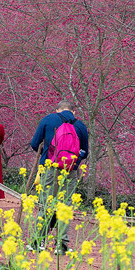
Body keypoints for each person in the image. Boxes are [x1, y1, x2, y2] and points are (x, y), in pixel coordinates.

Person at [29, 100, 89, 254]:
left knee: (45, 203)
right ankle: (61, 244)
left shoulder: (48, 120)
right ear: (73, 111)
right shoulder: (80, 126)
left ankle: (38, 242)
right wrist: (72, 160)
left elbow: (34, 144)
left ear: (57, 110)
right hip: (70, 170)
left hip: (49, 168)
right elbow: (85, 152)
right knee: (66, 205)